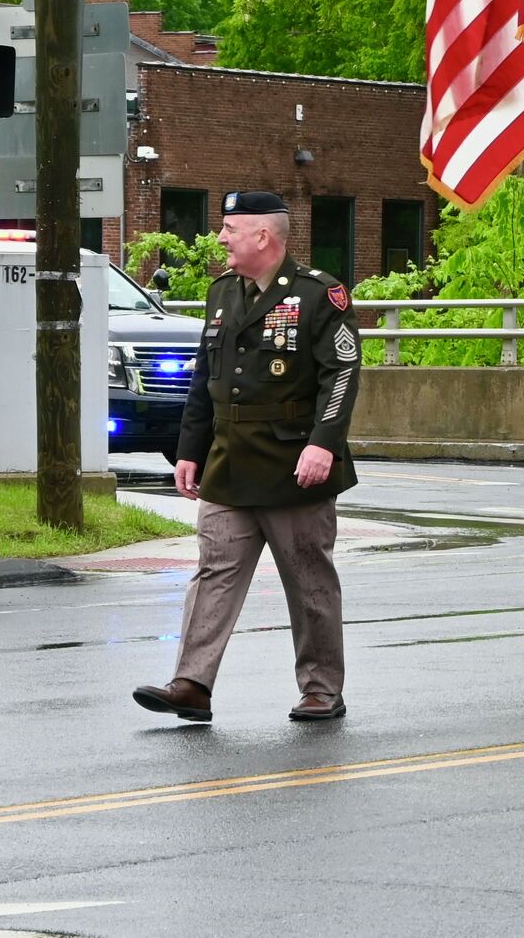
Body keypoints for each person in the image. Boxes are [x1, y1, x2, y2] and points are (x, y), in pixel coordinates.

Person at [134, 193, 362, 722]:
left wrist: (323, 444)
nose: (221, 238)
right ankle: (191, 683)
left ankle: (322, 688)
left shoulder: (317, 295)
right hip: (229, 463)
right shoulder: (221, 294)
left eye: (230, 228)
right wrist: (189, 451)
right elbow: (203, 380)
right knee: (213, 572)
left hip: (293, 467)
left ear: (263, 236)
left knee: (309, 581)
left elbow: (343, 374)